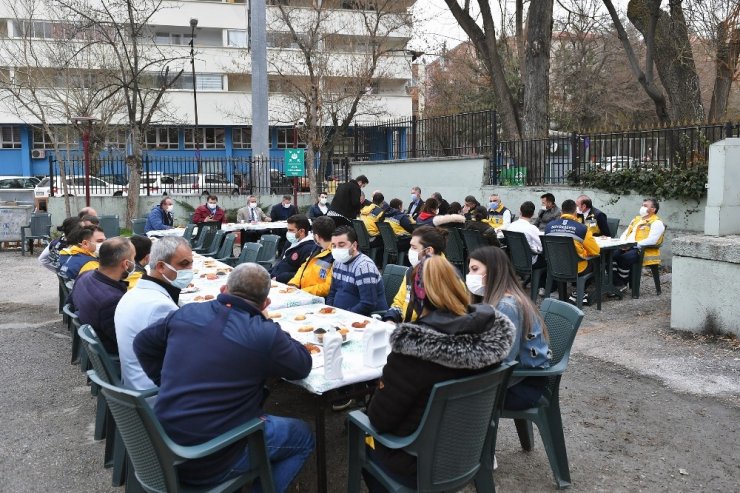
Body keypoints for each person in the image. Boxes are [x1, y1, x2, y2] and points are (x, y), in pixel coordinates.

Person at [133, 263, 314, 490]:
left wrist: (166, 381)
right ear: (265, 304)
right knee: (304, 435)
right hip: (212, 458)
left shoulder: (186, 313)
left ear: (223, 289)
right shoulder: (264, 332)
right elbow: (302, 365)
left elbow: (142, 343)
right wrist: (269, 322)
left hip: (162, 443)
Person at [364, 255, 514, 491]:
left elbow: (379, 419)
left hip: (417, 462)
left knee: (361, 434)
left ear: (417, 295)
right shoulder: (489, 333)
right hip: (469, 449)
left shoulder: (412, 351)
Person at [467, 247, 551, 410]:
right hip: (512, 378)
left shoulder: (506, 306)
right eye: (470, 270)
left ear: (492, 271)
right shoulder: (495, 299)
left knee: (444, 397)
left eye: (475, 269)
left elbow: (502, 359)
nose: (470, 275)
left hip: (520, 385)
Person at [115, 237, 193, 391]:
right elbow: (180, 360)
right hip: (152, 392)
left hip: (133, 382)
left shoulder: (134, 292)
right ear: (161, 267)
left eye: (191, 263)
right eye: (184, 264)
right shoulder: (160, 306)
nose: (190, 270)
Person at [70, 236, 135, 355]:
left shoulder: (84, 275)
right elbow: (127, 342)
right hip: (112, 353)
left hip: (95, 338)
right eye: (133, 258)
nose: (134, 262)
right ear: (126, 264)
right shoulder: (112, 300)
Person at [383, 226, 450, 323]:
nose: (410, 251)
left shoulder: (446, 278)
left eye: (414, 247)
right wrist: (390, 318)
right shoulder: (412, 270)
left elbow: (443, 319)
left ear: (428, 251)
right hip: (404, 327)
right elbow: (399, 302)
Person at [545, 199, 600, 305]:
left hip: (555, 266)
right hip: (576, 269)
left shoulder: (549, 227)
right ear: (575, 212)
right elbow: (596, 251)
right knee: (595, 262)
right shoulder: (582, 228)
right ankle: (581, 293)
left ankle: (576, 293)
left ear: (561, 212)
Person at [326, 225, 388, 315]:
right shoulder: (337, 263)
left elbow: (368, 304)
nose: (337, 249)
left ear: (354, 245)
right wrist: (330, 310)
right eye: (334, 246)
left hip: (362, 319)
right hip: (339, 316)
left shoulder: (364, 266)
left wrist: (344, 315)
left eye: (341, 245)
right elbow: (333, 292)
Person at [613, 198, 666, 290]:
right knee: (610, 255)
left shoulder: (657, 222)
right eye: (642, 205)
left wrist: (632, 245)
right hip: (626, 247)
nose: (642, 207)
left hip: (641, 250)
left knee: (624, 258)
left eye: (645, 206)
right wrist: (622, 244)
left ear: (653, 209)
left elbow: (652, 240)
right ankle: (617, 283)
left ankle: (620, 283)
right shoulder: (636, 220)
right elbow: (625, 233)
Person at [288, 216, 335, 297]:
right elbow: (304, 267)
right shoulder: (317, 248)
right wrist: (293, 284)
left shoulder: (334, 255)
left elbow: (327, 287)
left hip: (316, 298)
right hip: (302, 293)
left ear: (316, 236)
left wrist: (303, 292)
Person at [270, 214, 319, 283]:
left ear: (302, 231)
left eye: (291, 230)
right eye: (288, 230)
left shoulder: (309, 248)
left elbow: (303, 273)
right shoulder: (290, 242)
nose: (288, 233)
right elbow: (282, 261)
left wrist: (279, 278)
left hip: (287, 284)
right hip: (274, 278)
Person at [506, 201, 546, 275]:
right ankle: (541, 285)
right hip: (531, 261)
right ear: (533, 214)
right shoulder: (531, 228)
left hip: (514, 259)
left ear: (520, 211)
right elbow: (541, 245)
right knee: (549, 260)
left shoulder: (511, 226)